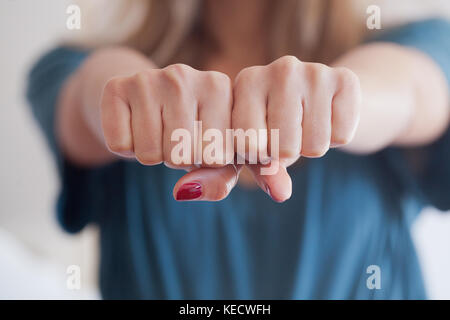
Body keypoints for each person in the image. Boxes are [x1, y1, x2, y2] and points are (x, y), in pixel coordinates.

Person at [26, 0, 450, 299]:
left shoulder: (414, 42)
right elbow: (85, 101)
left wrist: (348, 100)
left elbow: (414, 91)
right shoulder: (68, 64)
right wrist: (122, 89)